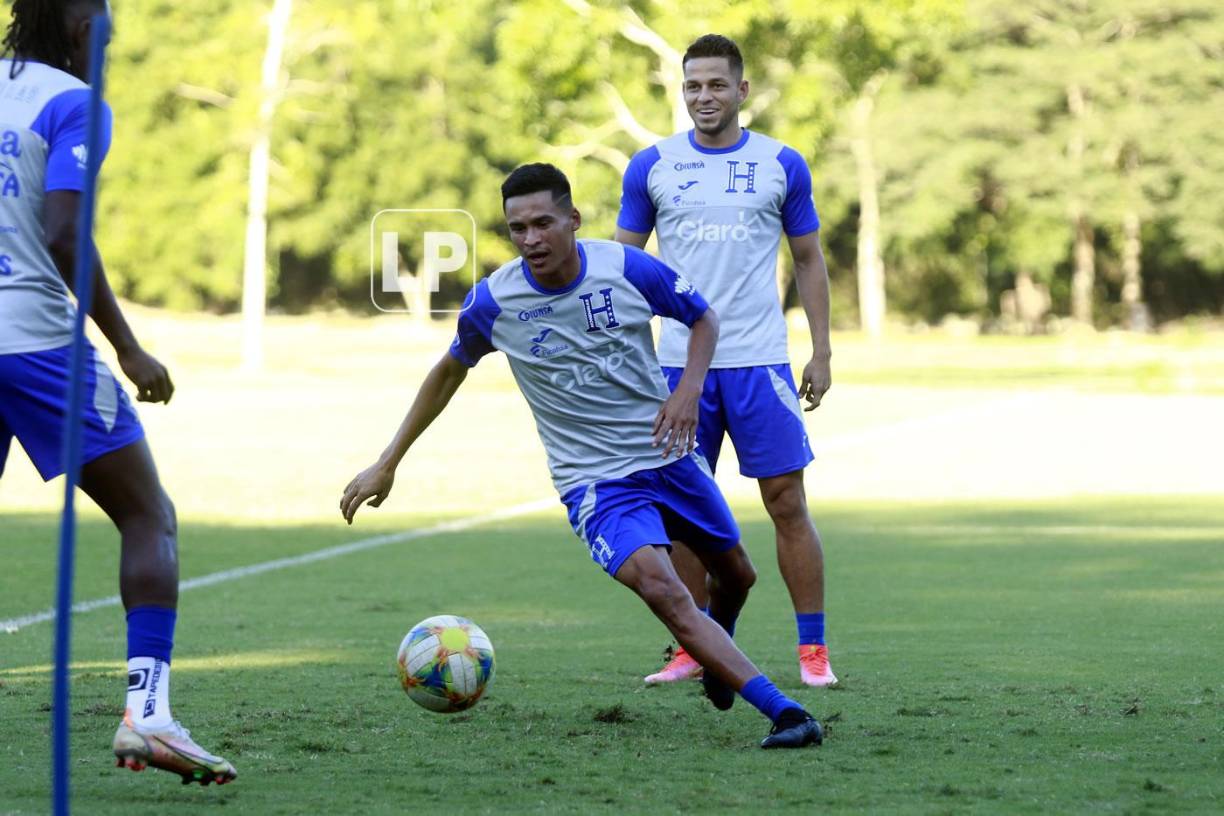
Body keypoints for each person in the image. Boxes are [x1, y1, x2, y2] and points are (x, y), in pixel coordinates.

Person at [341, 163, 822, 749]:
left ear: (573, 219)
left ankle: (718, 656)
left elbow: (703, 319)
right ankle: (785, 711)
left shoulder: (626, 268)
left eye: (543, 222)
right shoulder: (495, 301)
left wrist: (688, 389)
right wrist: (387, 461)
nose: (531, 239)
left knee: (738, 576)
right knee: (667, 592)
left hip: (667, 456)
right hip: (596, 484)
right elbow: (447, 371)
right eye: (518, 228)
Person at [0, 0, 235, 785]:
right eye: (101, 13)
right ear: (72, 23)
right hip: (34, 345)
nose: (111, 28)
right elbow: (65, 231)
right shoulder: (75, 103)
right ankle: (149, 715)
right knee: (146, 514)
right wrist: (128, 348)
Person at [615, 34, 837, 687]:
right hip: (678, 365)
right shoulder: (651, 166)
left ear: (741, 91)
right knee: (680, 510)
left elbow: (808, 260)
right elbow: (624, 268)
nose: (704, 97)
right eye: (693, 86)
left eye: (716, 85)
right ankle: (692, 648)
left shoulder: (782, 164)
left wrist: (821, 350)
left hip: (760, 360)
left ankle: (813, 652)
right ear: (681, 93)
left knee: (787, 501)